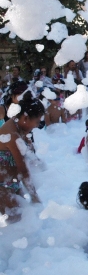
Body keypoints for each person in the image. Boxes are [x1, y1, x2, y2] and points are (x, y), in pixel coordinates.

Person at [0, 93, 44, 223]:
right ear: (25, 118)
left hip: (11, 182)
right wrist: (35, 196)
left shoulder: (17, 125)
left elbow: (30, 156)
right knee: (16, 223)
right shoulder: (12, 135)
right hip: (2, 186)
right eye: (36, 121)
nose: (36, 125)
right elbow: (23, 169)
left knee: (24, 221)